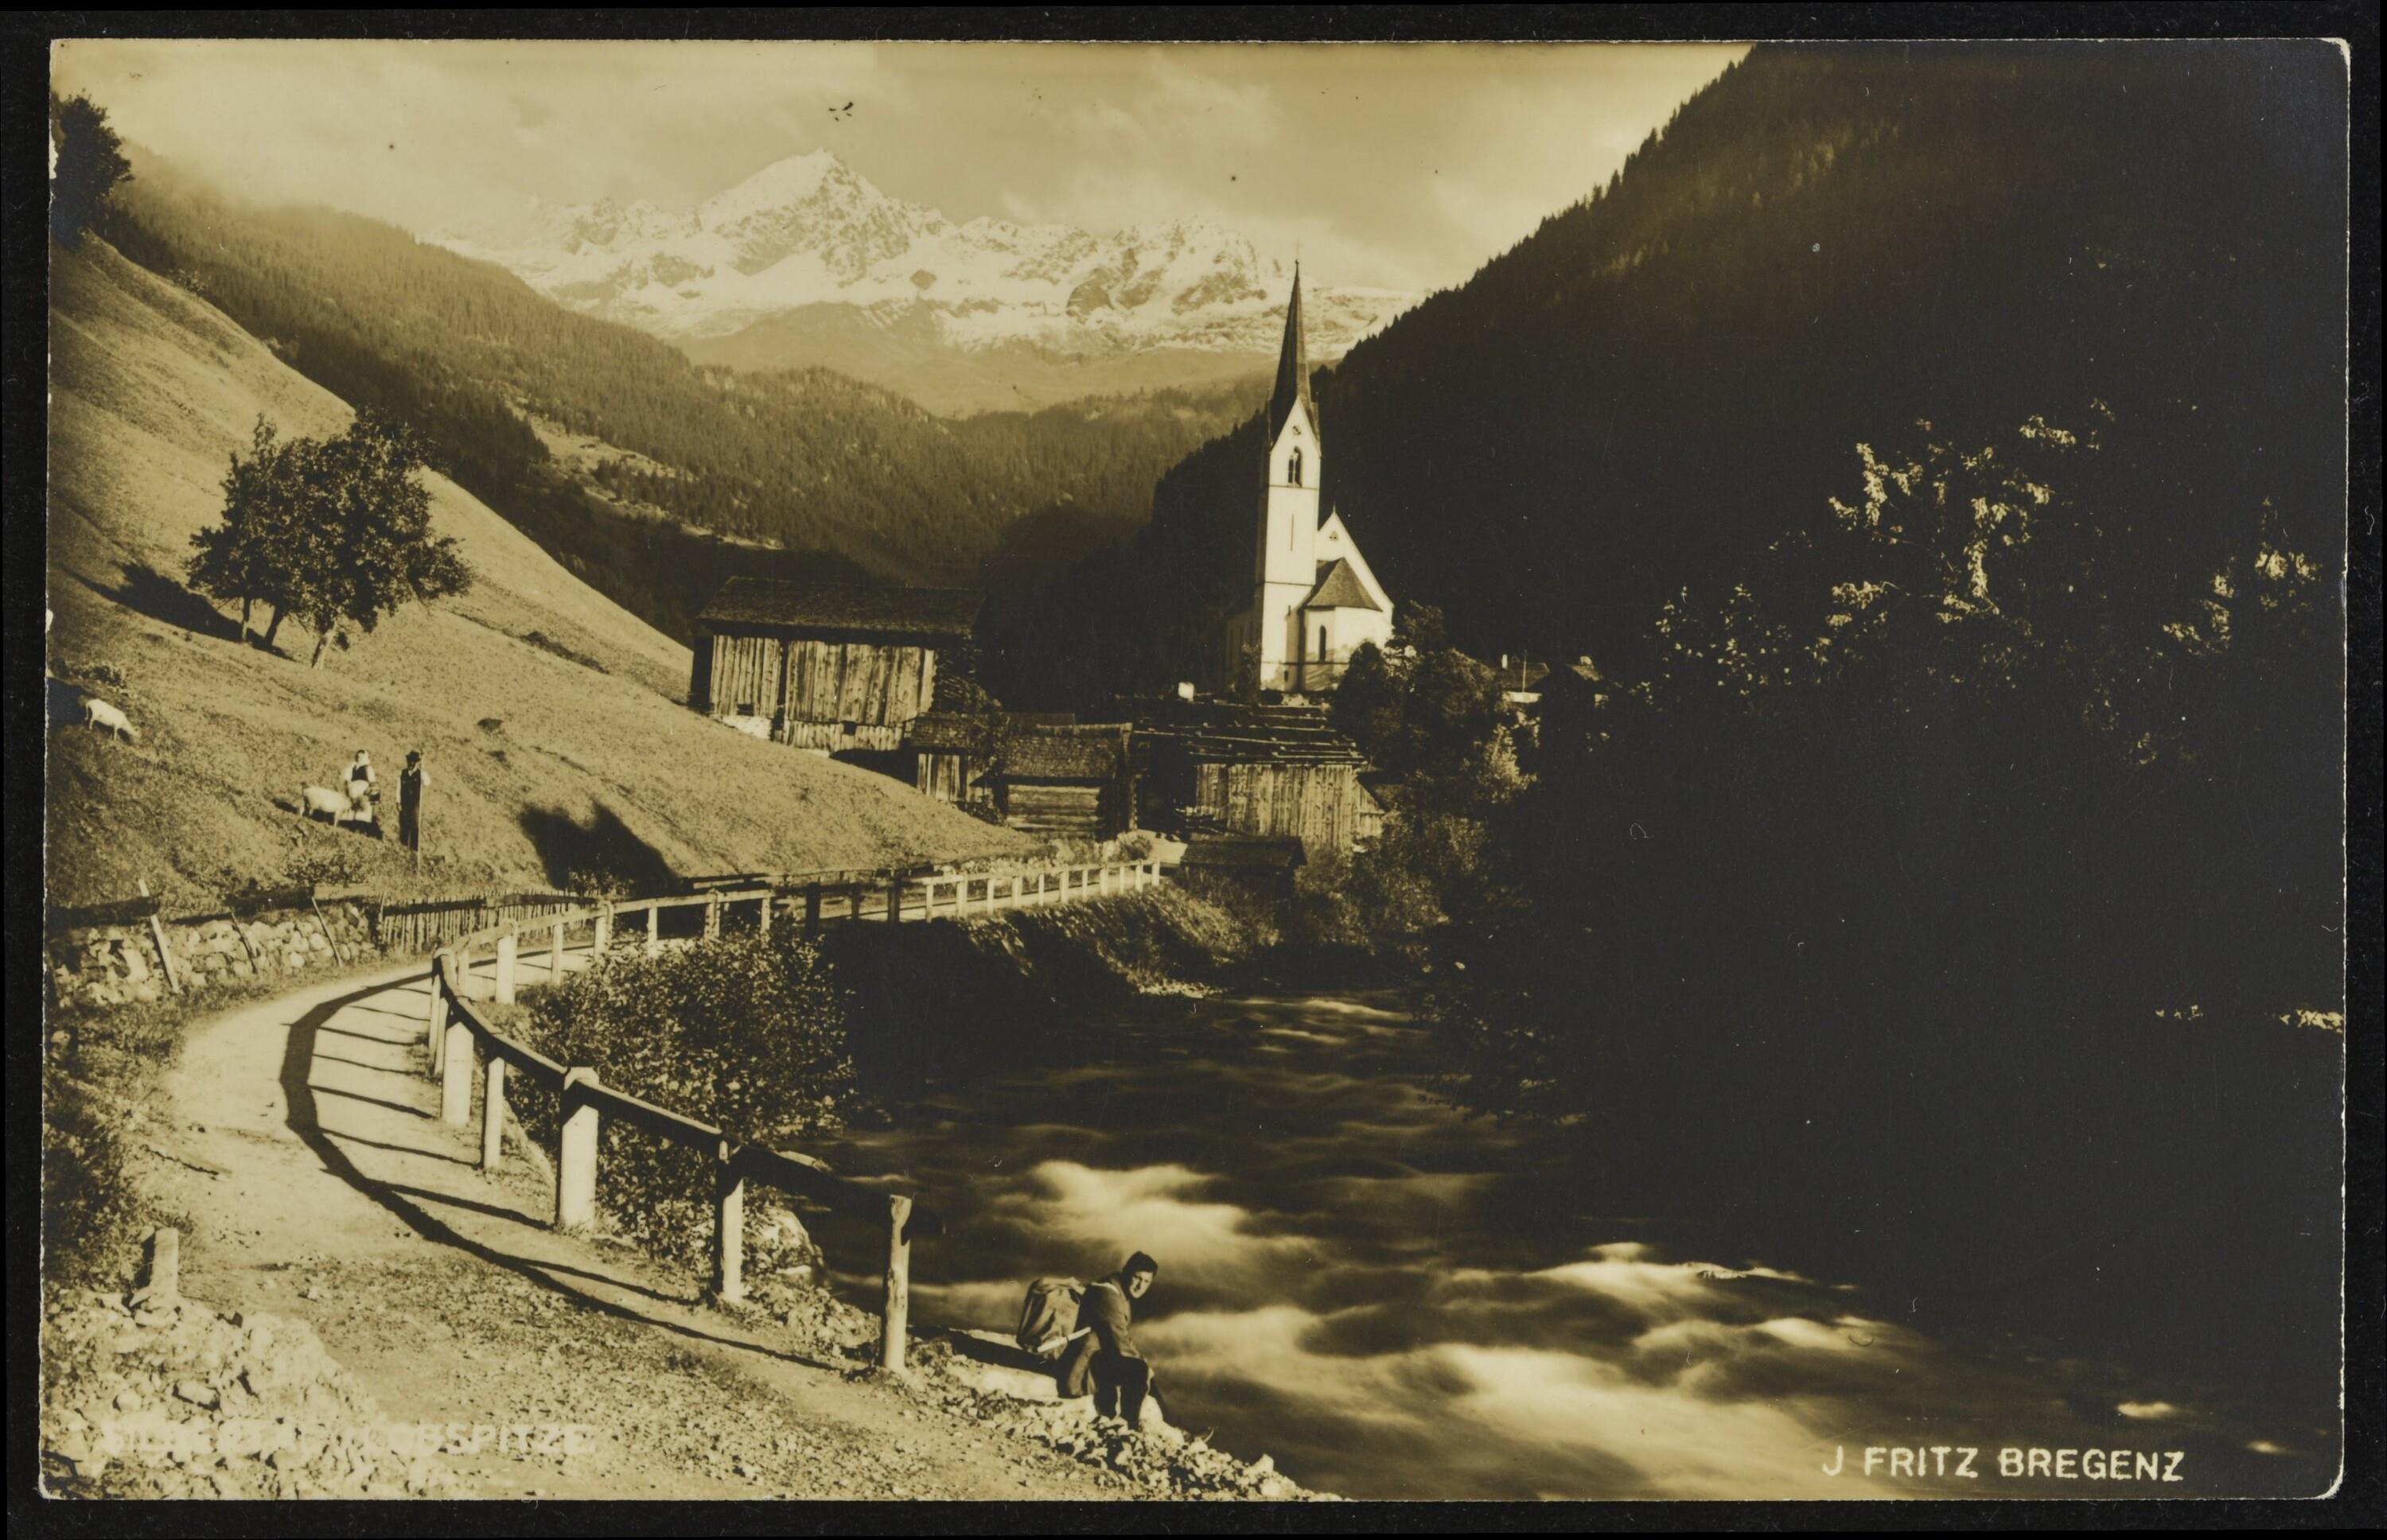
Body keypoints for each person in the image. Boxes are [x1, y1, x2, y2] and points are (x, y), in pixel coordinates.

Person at [1057, 1250, 1159, 1427]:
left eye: (1146, 1282)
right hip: (1083, 1363)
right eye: (1137, 1278)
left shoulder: (1118, 1291)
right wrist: (1142, 1363)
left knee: (1141, 1370)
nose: (1140, 1286)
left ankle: (1177, 1426)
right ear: (1126, 1272)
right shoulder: (1108, 1293)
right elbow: (1119, 1338)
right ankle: (1127, 1421)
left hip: (1095, 1358)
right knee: (1139, 1369)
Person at [397, 750, 428, 860]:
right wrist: (398, 802)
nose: (410, 763)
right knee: (404, 824)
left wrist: (423, 770)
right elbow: (398, 788)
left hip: (415, 803)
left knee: (415, 825)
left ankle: (414, 850)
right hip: (404, 802)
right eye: (409, 761)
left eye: (413, 762)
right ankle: (403, 847)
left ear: (416, 763)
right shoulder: (402, 773)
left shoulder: (420, 774)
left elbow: (427, 782)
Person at [344, 749, 381, 837]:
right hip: (353, 794)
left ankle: (365, 831)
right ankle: (352, 829)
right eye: (358, 757)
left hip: (364, 795)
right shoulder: (353, 767)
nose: (359, 759)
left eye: (361, 757)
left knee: (365, 813)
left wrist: (368, 792)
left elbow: (372, 783)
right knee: (353, 812)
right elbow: (347, 780)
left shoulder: (368, 768)